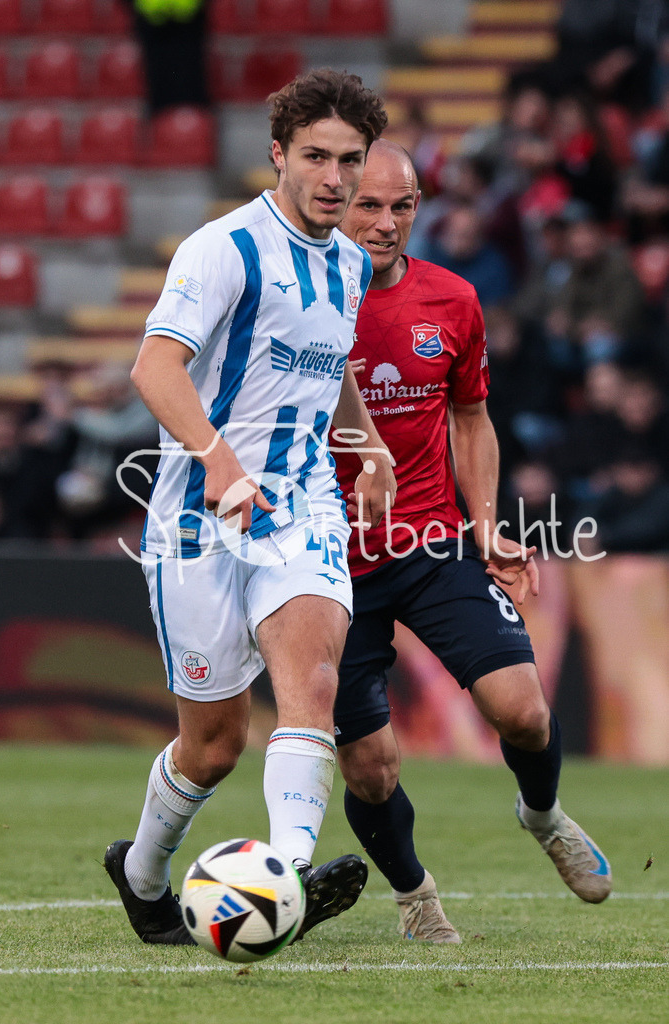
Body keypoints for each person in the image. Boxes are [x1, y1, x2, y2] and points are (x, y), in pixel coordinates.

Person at [104, 68, 395, 946]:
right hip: (198, 516)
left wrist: (369, 442)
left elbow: (327, 361)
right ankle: (144, 871)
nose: (335, 178)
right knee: (216, 745)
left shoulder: (349, 260)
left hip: (302, 508)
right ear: (279, 154)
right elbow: (154, 369)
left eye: (350, 160)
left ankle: (287, 882)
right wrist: (226, 470)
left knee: (311, 686)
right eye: (316, 156)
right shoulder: (221, 249)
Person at [332, 140, 612, 945]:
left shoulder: (453, 299)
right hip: (329, 564)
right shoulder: (302, 308)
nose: (387, 224)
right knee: (372, 768)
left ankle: (545, 814)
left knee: (524, 711)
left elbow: (469, 414)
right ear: (335, 199)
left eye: (403, 205)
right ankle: (417, 896)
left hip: (429, 539)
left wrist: (485, 526)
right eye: (369, 206)